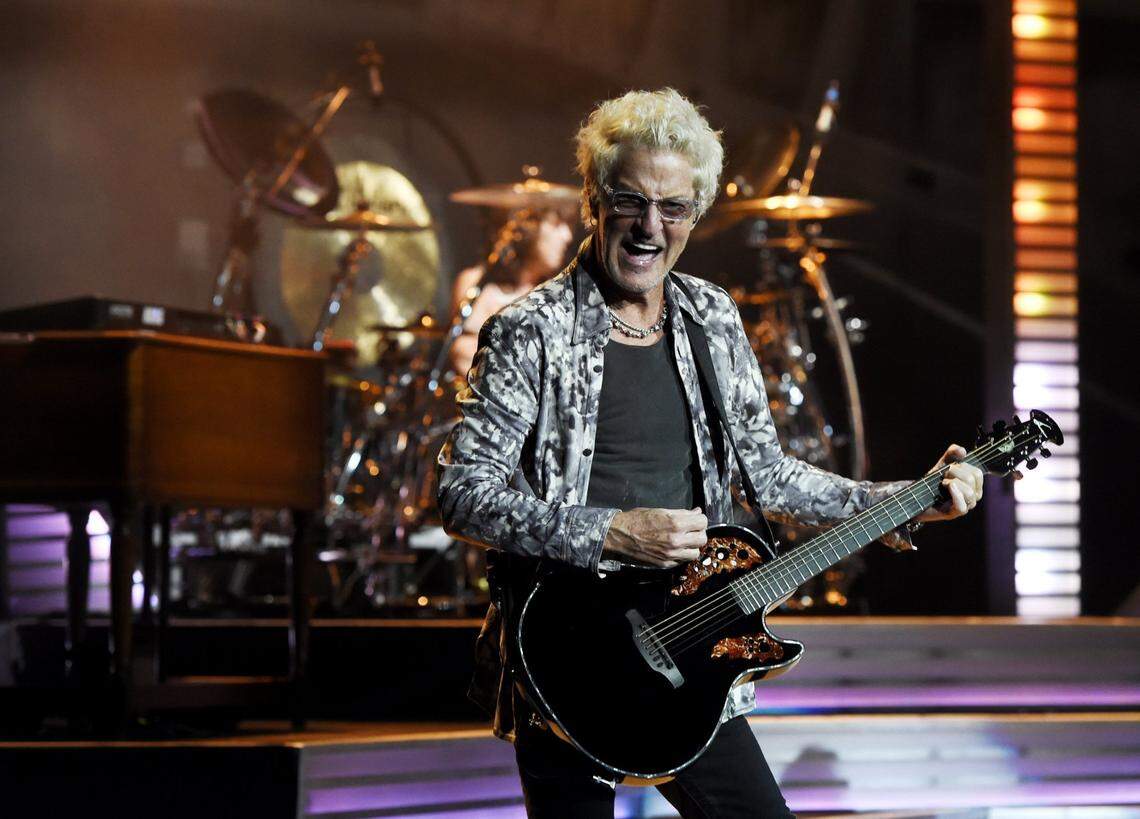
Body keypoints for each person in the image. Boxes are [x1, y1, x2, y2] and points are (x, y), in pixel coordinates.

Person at [437, 88, 984, 818]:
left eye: (674, 209)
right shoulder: (528, 332)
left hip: (689, 647)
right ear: (594, 201)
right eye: (631, 201)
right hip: (565, 655)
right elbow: (461, 493)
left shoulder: (713, 317)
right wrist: (609, 531)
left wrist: (905, 499)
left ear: (695, 215)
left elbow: (771, 473)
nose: (649, 228)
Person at [448, 208, 575, 375]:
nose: (567, 236)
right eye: (556, 224)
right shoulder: (473, 283)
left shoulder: (558, 296)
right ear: (527, 227)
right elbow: (460, 352)